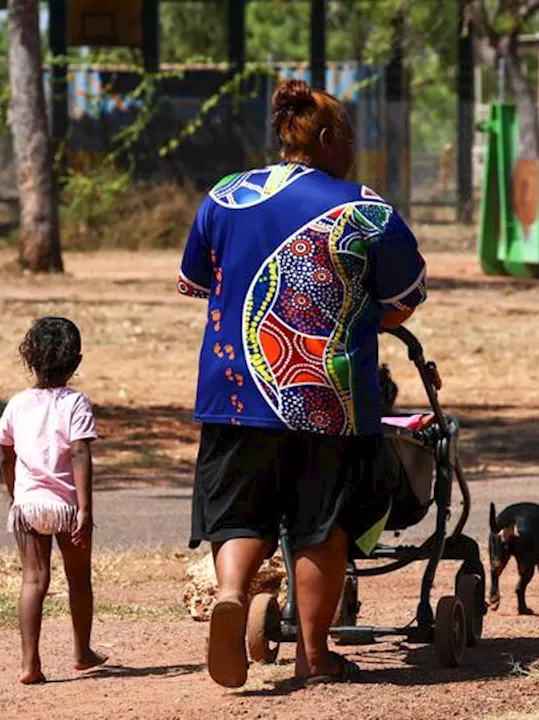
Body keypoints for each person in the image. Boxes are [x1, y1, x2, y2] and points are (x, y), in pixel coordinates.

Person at [177, 79, 427, 688]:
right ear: (323, 138)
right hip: (328, 399)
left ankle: (233, 593)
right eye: (346, 138)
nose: (353, 151)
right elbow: (401, 305)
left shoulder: (225, 197)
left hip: (233, 392)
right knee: (323, 524)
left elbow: (198, 283)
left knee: (238, 512)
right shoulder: (366, 211)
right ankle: (314, 656)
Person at [0, 317, 107, 684]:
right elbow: (79, 453)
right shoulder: (75, 403)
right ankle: (81, 652)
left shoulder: (17, 404)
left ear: (28, 358)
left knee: (33, 581)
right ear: (76, 362)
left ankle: (30, 665)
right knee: (79, 580)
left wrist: (15, 494)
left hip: (28, 505)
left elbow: (5, 454)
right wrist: (86, 509)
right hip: (65, 506)